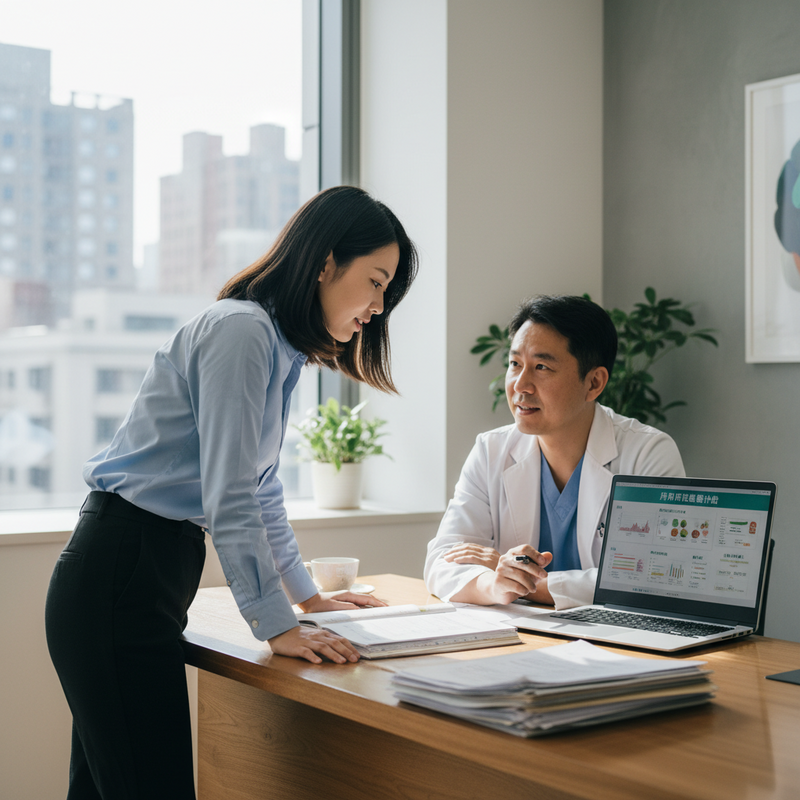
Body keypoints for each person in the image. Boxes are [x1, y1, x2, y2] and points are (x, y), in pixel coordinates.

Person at [45, 186, 418, 800]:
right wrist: (276, 626)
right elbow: (232, 496)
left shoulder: (277, 348)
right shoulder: (242, 331)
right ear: (326, 263)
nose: (378, 307)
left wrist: (306, 599)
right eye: (376, 282)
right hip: (124, 567)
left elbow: (261, 490)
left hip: (141, 571)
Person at [424, 294, 684, 610]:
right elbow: (442, 561)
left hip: (612, 634)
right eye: (515, 364)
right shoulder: (491, 450)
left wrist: (522, 581)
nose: (520, 385)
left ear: (594, 383)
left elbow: (651, 576)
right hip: (520, 631)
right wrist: (495, 584)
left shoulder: (648, 454)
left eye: (542, 367)